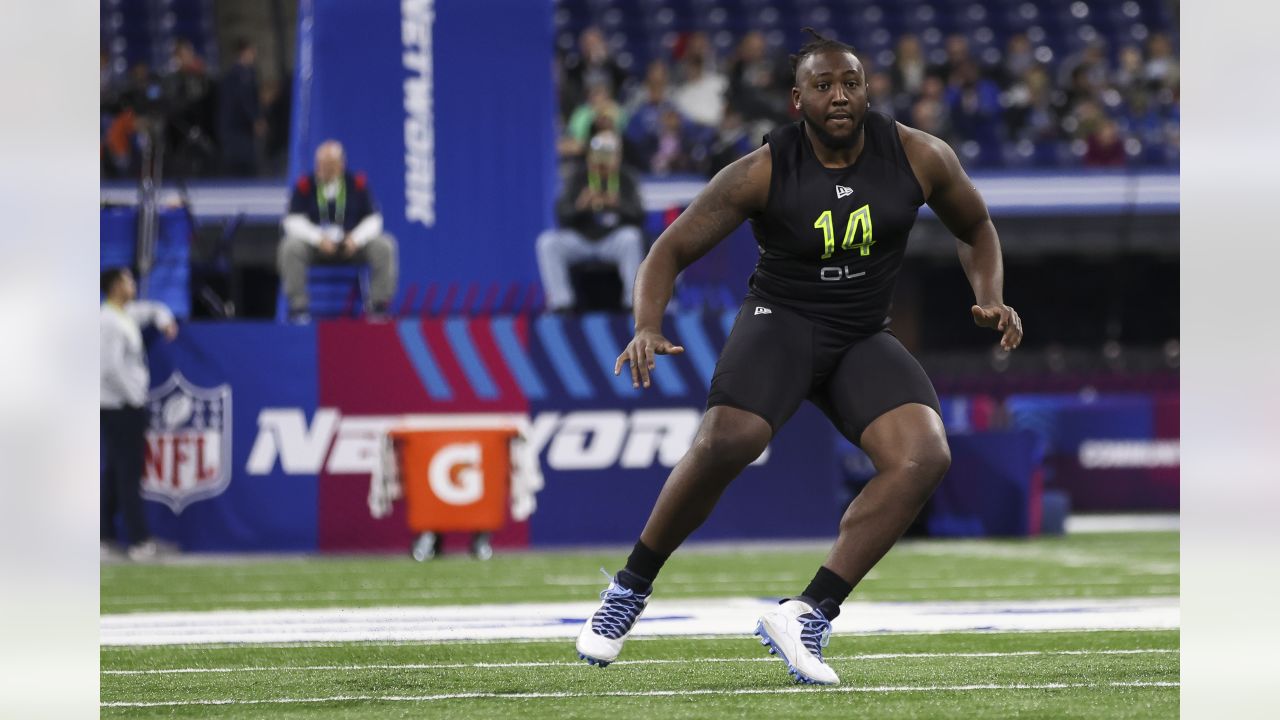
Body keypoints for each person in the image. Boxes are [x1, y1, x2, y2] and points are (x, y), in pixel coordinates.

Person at [575, 29, 1023, 685]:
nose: (839, 95)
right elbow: (667, 250)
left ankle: (810, 611)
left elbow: (975, 227)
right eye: (823, 85)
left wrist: (990, 295)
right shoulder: (763, 169)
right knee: (731, 436)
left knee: (924, 455)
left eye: (851, 82)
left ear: (868, 90)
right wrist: (646, 324)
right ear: (796, 100)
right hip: (781, 321)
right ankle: (629, 588)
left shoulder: (920, 155)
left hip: (861, 335)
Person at [100, 268, 179, 561]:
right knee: (128, 473)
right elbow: (109, 367)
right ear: (115, 286)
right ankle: (138, 541)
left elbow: (152, 309)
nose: (133, 285)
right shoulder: (107, 321)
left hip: (120, 405)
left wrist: (165, 320)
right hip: (120, 406)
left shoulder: (122, 314)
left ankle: (104, 537)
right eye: (128, 281)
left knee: (114, 472)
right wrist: (134, 397)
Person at [278, 140, 399, 322]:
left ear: (341, 164)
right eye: (320, 164)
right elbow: (291, 221)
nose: (323, 168)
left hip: (350, 246)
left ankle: (378, 307)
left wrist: (355, 239)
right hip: (316, 247)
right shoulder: (305, 185)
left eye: (329, 164)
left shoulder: (356, 184)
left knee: (385, 245)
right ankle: (298, 308)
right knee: (290, 247)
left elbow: (374, 219)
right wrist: (318, 238)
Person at [536, 130, 646, 313]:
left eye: (609, 153)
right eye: (600, 153)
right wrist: (579, 206)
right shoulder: (578, 177)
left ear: (618, 155)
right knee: (548, 243)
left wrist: (618, 205)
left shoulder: (626, 178)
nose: (603, 159)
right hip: (582, 239)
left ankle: (632, 303)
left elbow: (639, 217)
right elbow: (561, 216)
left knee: (631, 238)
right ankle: (561, 303)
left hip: (612, 241)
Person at [217, 38, 263, 176]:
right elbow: (244, 100)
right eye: (251, 51)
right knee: (241, 165)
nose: (254, 54)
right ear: (243, 52)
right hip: (237, 128)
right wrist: (255, 119)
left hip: (238, 128)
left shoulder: (244, 74)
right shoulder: (239, 75)